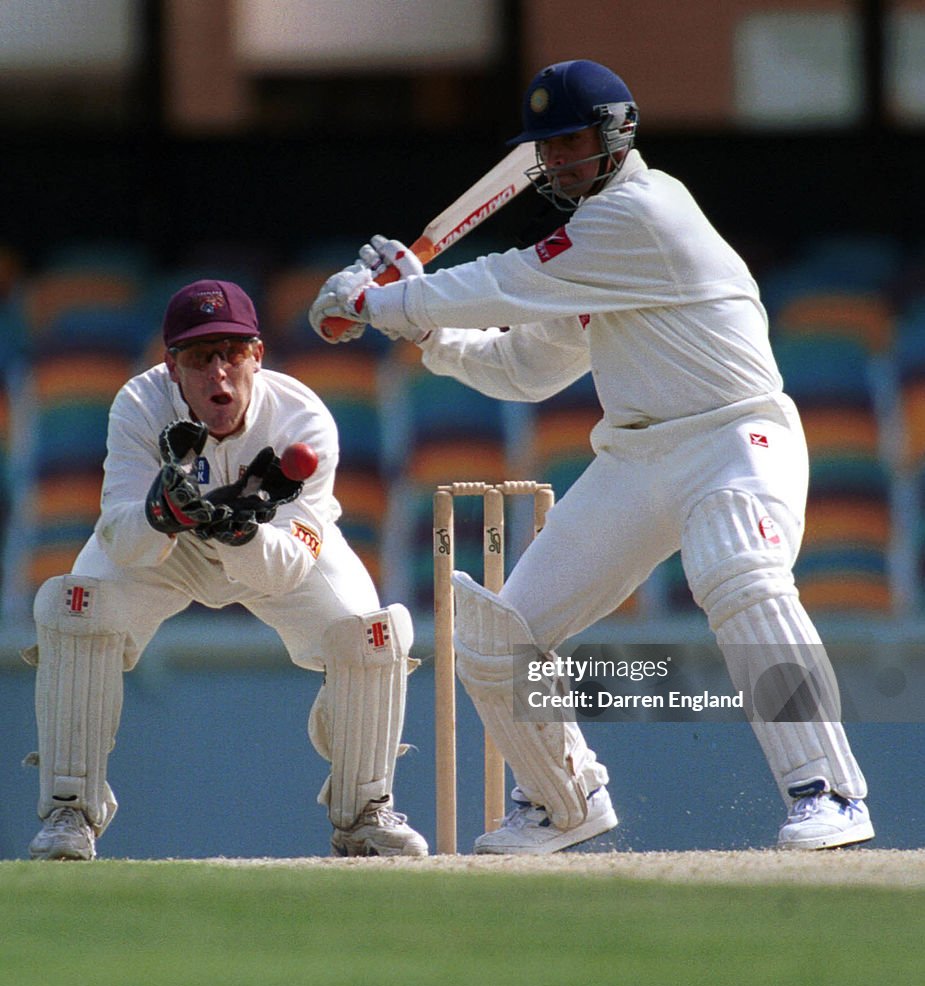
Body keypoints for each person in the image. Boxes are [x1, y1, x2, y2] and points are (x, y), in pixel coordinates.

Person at [308, 59, 875, 855]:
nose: (554, 161)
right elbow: (523, 367)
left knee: (737, 574)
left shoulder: (642, 213)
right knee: (498, 634)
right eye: (544, 147)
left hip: (733, 441)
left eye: (569, 141)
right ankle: (561, 802)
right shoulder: (593, 257)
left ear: (617, 135)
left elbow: (507, 280)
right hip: (639, 460)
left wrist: (378, 301)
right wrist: (421, 326)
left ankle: (830, 792)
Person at [26, 279, 427, 860]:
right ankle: (70, 813)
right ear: (172, 367)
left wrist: (236, 529)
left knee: (372, 634)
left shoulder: (302, 420)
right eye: (200, 357)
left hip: (266, 547)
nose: (219, 374)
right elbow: (120, 535)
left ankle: (364, 813)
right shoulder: (139, 406)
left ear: (257, 357)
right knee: (73, 609)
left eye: (233, 354)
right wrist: (162, 514)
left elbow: (285, 570)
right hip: (169, 548)